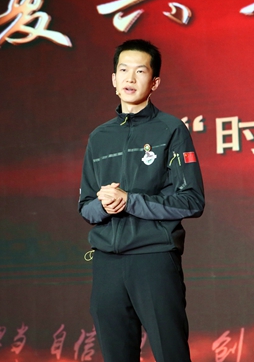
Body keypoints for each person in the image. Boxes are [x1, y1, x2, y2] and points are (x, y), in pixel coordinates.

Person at [78, 39, 205, 362]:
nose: (130, 78)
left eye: (140, 71)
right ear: (113, 79)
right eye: (123, 70)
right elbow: (86, 206)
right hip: (107, 262)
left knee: (170, 352)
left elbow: (192, 201)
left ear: (155, 82)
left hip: (154, 258)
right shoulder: (98, 137)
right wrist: (104, 206)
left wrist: (129, 201)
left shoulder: (171, 129)